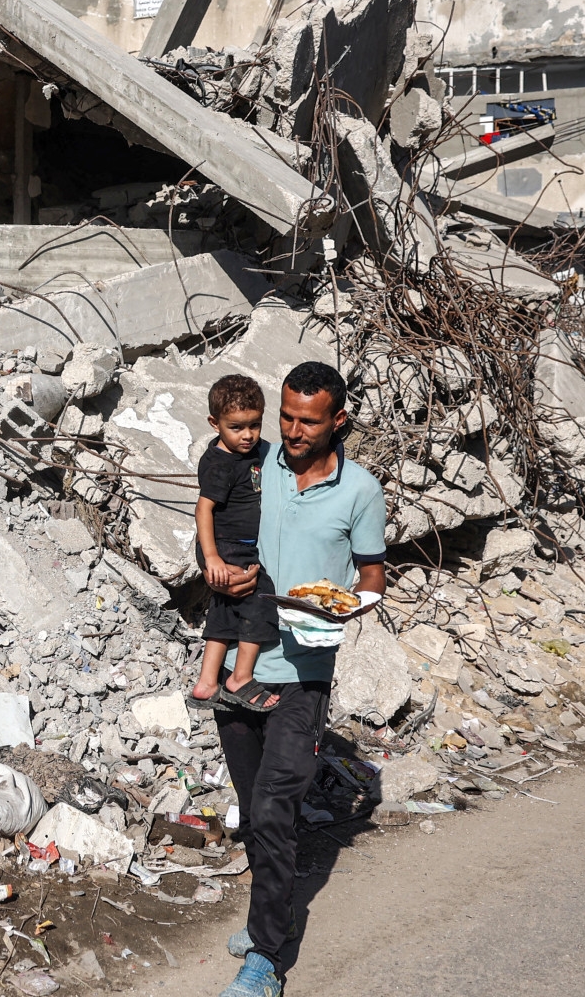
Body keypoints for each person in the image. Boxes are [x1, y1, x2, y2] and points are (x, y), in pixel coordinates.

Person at [214, 361, 387, 997]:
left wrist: (344, 603)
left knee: (273, 807)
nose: (290, 430)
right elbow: (220, 515)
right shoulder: (259, 467)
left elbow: (373, 575)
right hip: (242, 662)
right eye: (285, 415)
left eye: (306, 421)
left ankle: (266, 956)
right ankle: (275, 913)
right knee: (254, 811)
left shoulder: (360, 492)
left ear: (337, 421)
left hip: (303, 674)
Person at [188, 375, 279, 713]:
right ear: (215, 423)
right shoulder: (220, 465)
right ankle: (240, 677)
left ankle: (206, 683)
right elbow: (203, 508)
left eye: (255, 425)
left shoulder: (250, 452)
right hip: (227, 546)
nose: (248, 435)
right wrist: (211, 557)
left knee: (225, 608)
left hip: (232, 545)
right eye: (237, 427)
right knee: (260, 597)